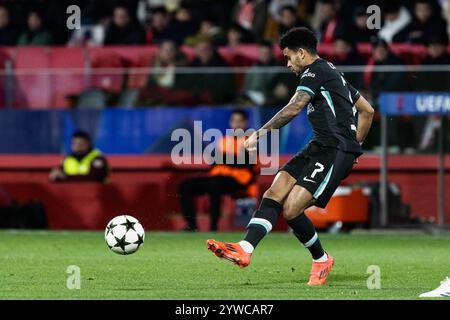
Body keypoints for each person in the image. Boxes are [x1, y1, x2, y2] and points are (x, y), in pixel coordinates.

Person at [206, 27, 374, 286]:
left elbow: (295, 106)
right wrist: (358, 144)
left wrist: (261, 133)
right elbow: (367, 111)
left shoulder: (314, 72)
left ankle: (321, 259)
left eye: (288, 57)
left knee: (292, 209)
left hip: (335, 150)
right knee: (274, 191)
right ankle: (245, 249)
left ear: (302, 54)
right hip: (320, 145)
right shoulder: (332, 73)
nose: (287, 64)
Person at [178, 110, 258, 232]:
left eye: (239, 121)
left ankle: (213, 227)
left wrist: (224, 158)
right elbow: (215, 161)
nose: (236, 124)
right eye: (233, 121)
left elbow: (247, 164)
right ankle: (192, 226)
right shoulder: (224, 140)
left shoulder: (250, 141)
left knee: (216, 183)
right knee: (186, 186)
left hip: (239, 179)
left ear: (245, 122)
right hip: (218, 176)